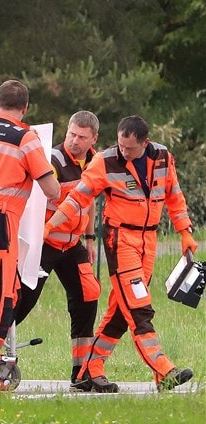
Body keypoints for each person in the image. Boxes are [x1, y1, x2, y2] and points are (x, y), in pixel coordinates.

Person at [46, 115, 197, 393]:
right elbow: (78, 198)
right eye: (120, 146)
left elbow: (174, 195)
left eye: (130, 148)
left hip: (148, 240)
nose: (123, 153)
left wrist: (185, 231)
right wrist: (51, 225)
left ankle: (89, 367)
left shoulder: (163, 157)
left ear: (145, 143)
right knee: (139, 306)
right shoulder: (105, 161)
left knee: (120, 311)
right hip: (120, 240)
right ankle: (163, 369)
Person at [0, 79, 60, 392]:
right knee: (0, 302)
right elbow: (52, 190)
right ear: (25, 108)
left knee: (7, 292)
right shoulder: (25, 138)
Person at [12, 110, 102, 385]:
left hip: (73, 244)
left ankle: (82, 372)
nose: (74, 140)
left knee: (88, 296)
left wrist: (89, 239)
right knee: (22, 300)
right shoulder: (53, 160)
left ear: (93, 139)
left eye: (81, 137)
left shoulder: (96, 163)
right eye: (71, 134)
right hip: (44, 242)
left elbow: (89, 201)